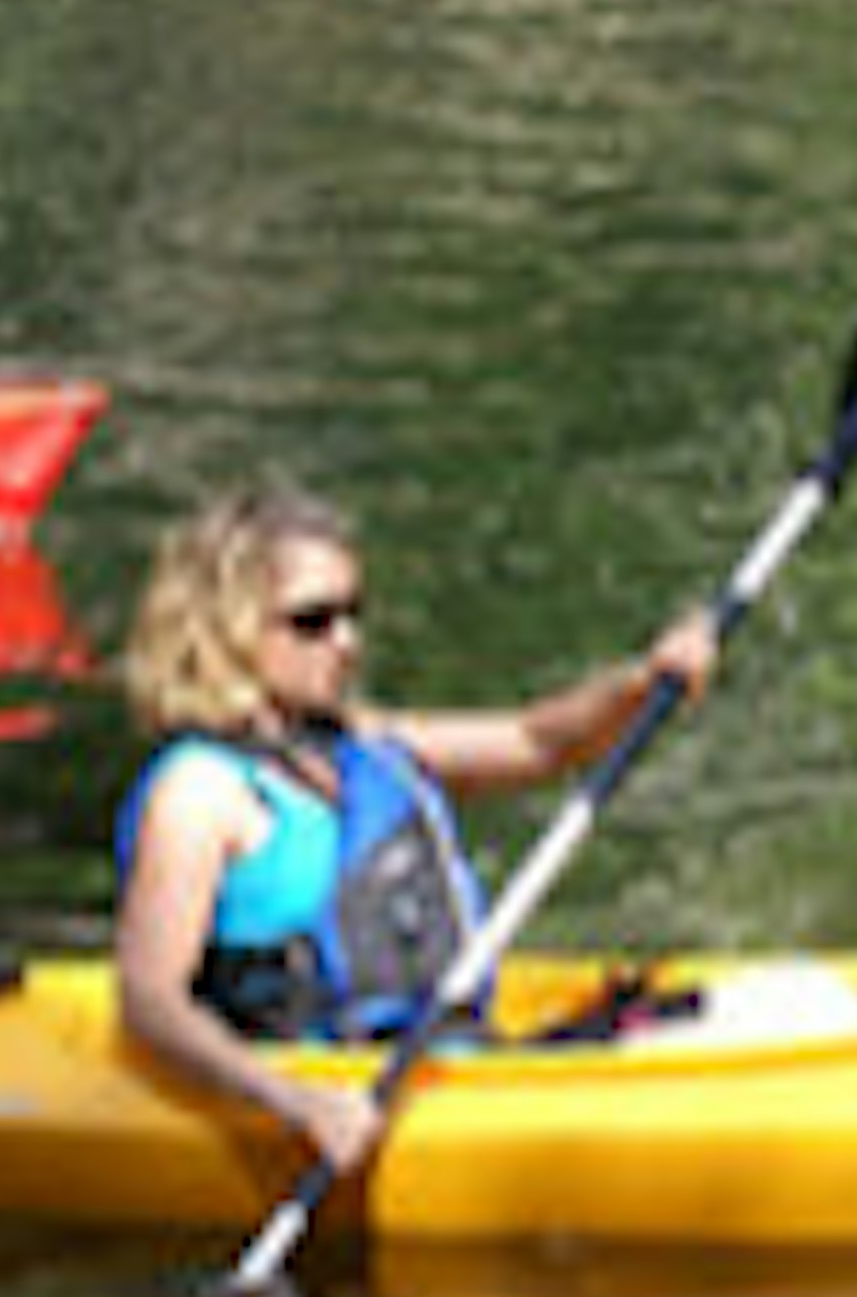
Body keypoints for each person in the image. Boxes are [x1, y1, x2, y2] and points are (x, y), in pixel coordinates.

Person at [113, 482, 718, 1193]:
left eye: (352, 614)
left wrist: (644, 684)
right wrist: (296, 1103)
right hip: (320, 1086)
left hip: (439, 1061)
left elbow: (537, 741)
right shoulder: (200, 793)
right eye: (313, 621)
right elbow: (149, 1001)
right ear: (227, 630)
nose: (347, 642)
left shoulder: (361, 746)